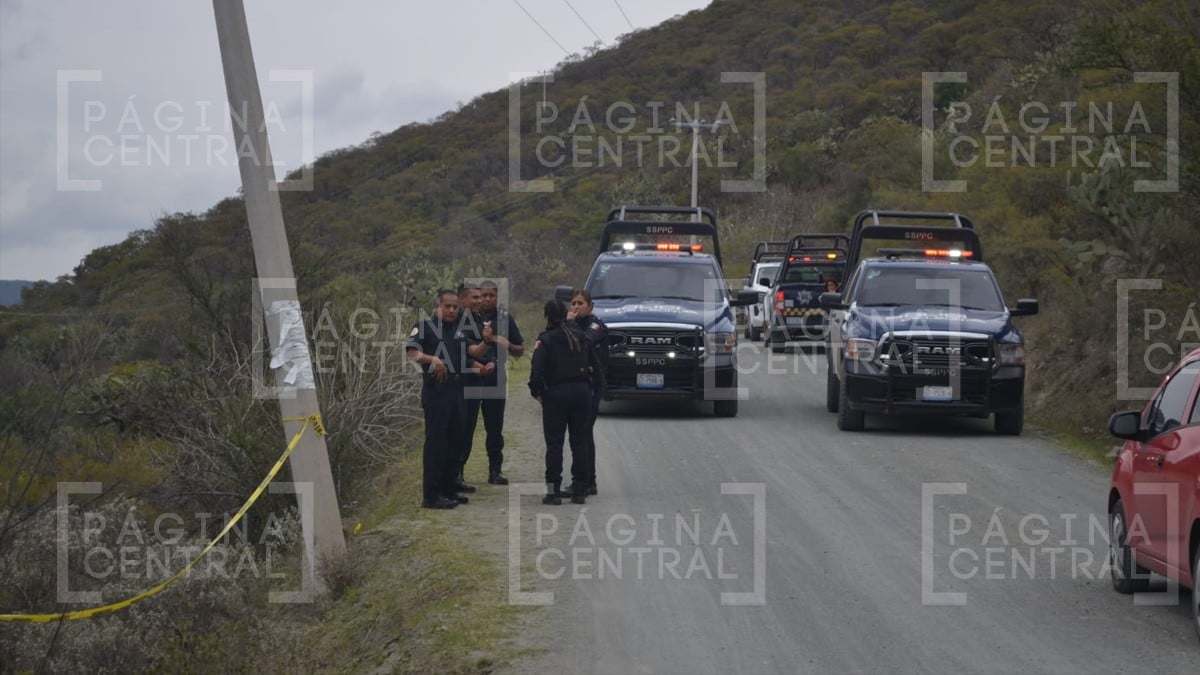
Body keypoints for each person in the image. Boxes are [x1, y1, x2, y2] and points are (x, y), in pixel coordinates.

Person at [405, 290, 488, 509]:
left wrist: (487, 342)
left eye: (455, 307)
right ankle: (431, 496)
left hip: (458, 390)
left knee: (456, 441)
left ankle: (449, 489)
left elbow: (472, 351)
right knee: (437, 443)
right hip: (437, 391)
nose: (452, 310)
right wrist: (433, 359)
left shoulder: (460, 329)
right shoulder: (425, 327)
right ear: (438, 307)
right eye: (448, 306)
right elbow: (412, 352)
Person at [528, 300, 594, 505]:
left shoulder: (546, 339)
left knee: (555, 444)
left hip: (556, 393)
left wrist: (536, 392)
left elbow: (537, 370)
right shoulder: (580, 336)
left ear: (547, 316)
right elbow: (593, 363)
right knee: (579, 441)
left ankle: (553, 491)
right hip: (581, 392)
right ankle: (580, 490)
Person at [474, 280, 525, 485]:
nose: (487, 299)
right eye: (483, 295)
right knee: (465, 427)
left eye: (491, 295)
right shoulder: (468, 317)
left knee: (494, 428)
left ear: (497, 297)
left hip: (496, 378)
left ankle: (495, 470)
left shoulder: (505, 319)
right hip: (472, 376)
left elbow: (520, 350)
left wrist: (508, 344)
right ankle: (457, 472)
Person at [565, 289, 607, 497]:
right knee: (579, 434)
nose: (576, 307)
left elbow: (586, 341)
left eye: (580, 303)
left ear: (590, 306)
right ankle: (585, 478)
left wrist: (570, 324)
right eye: (573, 303)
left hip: (591, 385)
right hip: (573, 387)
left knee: (582, 433)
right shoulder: (568, 326)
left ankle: (588, 480)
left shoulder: (596, 325)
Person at [457, 282, 493, 493]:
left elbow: (486, 347)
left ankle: (459, 472)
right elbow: (455, 351)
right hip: (460, 383)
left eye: (481, 297)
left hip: (477, 382)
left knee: (469, 428)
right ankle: (453, 473)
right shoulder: (456, 322)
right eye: (475, 297)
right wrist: (473, 365)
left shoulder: (480, 320)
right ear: (462, 300)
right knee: (458, 430)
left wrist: (489, 362)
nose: (479, 301)